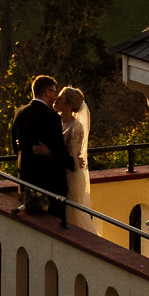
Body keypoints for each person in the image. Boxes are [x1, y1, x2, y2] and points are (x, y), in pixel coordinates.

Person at [8, 75, 72, 217]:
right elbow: (59, 149)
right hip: (47, 184)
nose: (55, 97)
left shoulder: (18, 112)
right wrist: (71, 162)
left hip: (25, 181)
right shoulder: (52, 117)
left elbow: (16, 148)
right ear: (48, 92)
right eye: (55, 93)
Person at [56, 86, 91, 228]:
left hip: (71, 176)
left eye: (60, 98)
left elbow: (72, 155)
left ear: (68, 105)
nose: (55, 100)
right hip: (60, 172)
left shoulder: (76, 127)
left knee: (71, 214)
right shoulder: (57, 121)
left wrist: (75, 160)